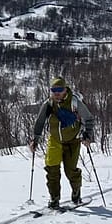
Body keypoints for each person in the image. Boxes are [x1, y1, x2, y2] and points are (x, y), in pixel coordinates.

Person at [28, 76, 97, 209]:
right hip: (55, 140)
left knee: (70, 171)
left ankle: (76, 192)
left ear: (65, 89)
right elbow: (40, 122)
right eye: (54, 90)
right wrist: (35, 140)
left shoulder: (74, 102)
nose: (57, 93)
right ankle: (54, 199)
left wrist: (87, 135)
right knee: (52, 169)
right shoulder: (49, 104)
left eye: (59, 90)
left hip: (73, 141)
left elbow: (89, 118)